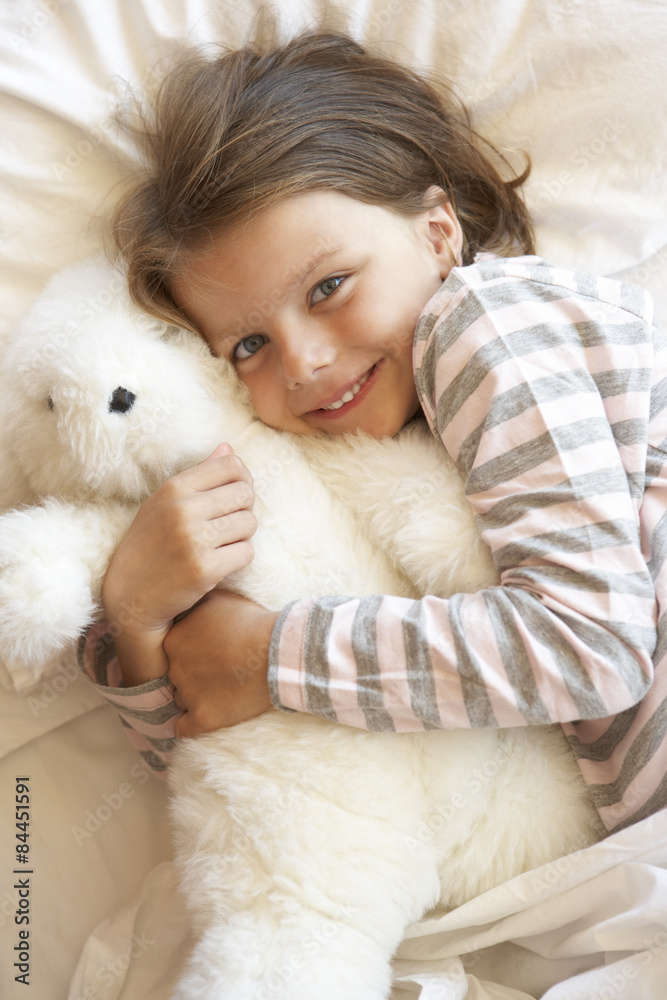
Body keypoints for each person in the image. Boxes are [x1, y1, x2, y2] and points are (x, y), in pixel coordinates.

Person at [80, 30, 667, 835]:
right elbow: (235, 769)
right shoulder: (350, 459)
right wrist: (139, 618)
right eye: (248, 346)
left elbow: (588, 645)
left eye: (328, 286)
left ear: (437, 232)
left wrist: (270, 656)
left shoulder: (484, 318)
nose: (304, 363)